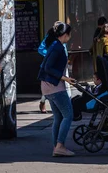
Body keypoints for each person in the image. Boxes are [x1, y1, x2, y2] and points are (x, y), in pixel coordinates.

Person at [37, 22, 76, 157]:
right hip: (55, 87)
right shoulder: (58, 47)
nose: (70, 37)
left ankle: (57, 147)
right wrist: (65, 78)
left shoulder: (54, 45)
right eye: (69, 34)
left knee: (58, 117)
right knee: (68, 115)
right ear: (65, 35)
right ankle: (60, 146)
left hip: (48, 87)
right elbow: (48, 67)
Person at [38, 21, 63, 113]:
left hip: (60, 65)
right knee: (50, 85)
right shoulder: (49, 37)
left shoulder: (62, 38)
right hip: (50, 65)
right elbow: (40, 49)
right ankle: (43, 101)